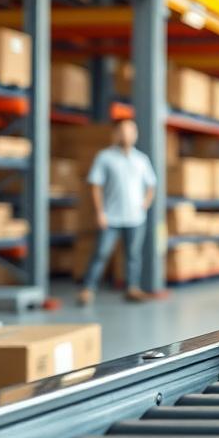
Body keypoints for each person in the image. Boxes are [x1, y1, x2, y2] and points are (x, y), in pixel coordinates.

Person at [77, 118, 157, 305]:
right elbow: (95, 185)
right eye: (123, 130)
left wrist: (145, 203)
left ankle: (132, 288)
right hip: (111, 216)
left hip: (135, 217)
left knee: (133, 255)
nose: (127, 134)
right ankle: (88, 289)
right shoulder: (105, 157)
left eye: (131, 130)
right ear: (116, 133)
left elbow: (151, 184)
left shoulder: (141, 159)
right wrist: (99, 212)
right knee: (101, 253)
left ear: (135, 134)